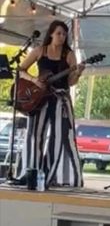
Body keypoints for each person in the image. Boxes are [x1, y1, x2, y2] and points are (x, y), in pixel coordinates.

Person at [18, 20, 84, 187]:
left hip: (60, 98)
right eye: (58, 33)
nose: (61, 37)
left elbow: (71, 82)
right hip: (39, 98)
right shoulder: (40, 51)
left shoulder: (68, 55)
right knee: (34, 135)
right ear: (51, 34)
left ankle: (56, 175)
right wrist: (34, 80)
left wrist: (78, 73)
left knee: (60, 137)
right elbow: (20, 70)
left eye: (64, 34)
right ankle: (30, 171)